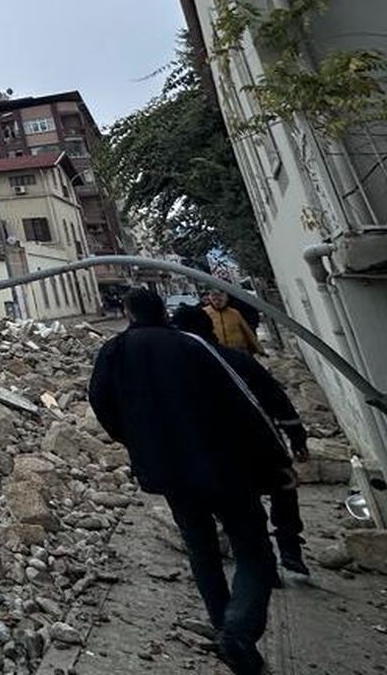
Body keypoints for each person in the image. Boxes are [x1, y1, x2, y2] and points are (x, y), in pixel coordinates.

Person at [89, 288, 289, 675]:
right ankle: (239, 629)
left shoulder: (117, 351)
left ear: (128, 313)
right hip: (226, 466)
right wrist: (277, 456)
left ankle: (224, 629)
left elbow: (101, 400)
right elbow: (245, 403)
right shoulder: (195, 347)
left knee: (202, 552)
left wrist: (132, 439)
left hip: (169, 470)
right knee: (254, 552)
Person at [172, 303, 311, 582]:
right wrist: (296, 436)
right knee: (282, 491)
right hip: (260, 446)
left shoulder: (186, 369)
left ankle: (271, 560)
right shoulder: (233, 360)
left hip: (221, 453)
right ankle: (289, 548)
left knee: (250, 507)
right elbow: (276, 398)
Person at [203, 288, 264, 355]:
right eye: (214, 300)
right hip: (219, 351)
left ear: (226, 298)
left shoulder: (234, 313)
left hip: (239, 350)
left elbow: (248, 332)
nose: (217, 302)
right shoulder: (205, 313)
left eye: (220, 300)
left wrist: (259, 348)